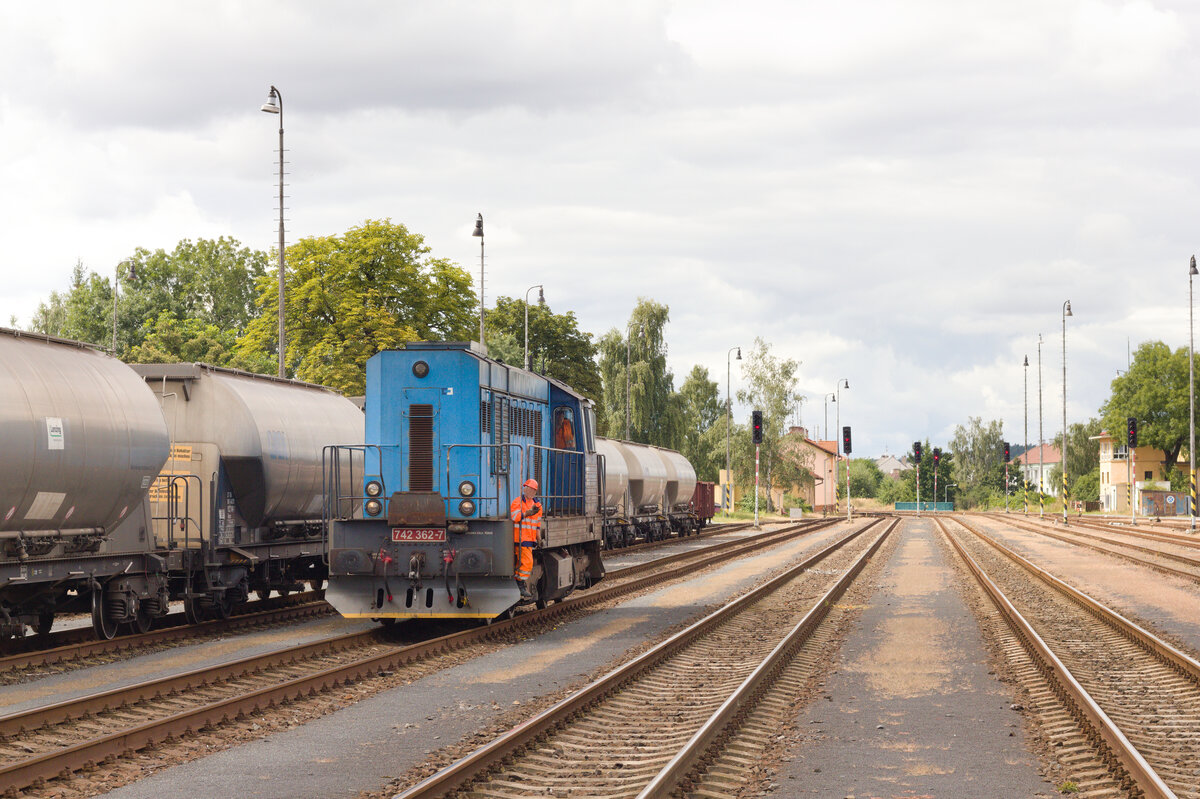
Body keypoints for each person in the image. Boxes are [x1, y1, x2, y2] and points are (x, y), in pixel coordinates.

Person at [509, 478, 542, 599]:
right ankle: (519, 584)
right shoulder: (518, 502)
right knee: (527, 564)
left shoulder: (537, 505)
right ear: (525, 489)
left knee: (521, 564)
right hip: (520, 538)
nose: (530, 492)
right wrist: (527, 513)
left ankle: (518, 582)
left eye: (533, 490)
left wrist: (539, 538)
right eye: (529, 489)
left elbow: (538, 523)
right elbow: (514, 517)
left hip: (530, 539)